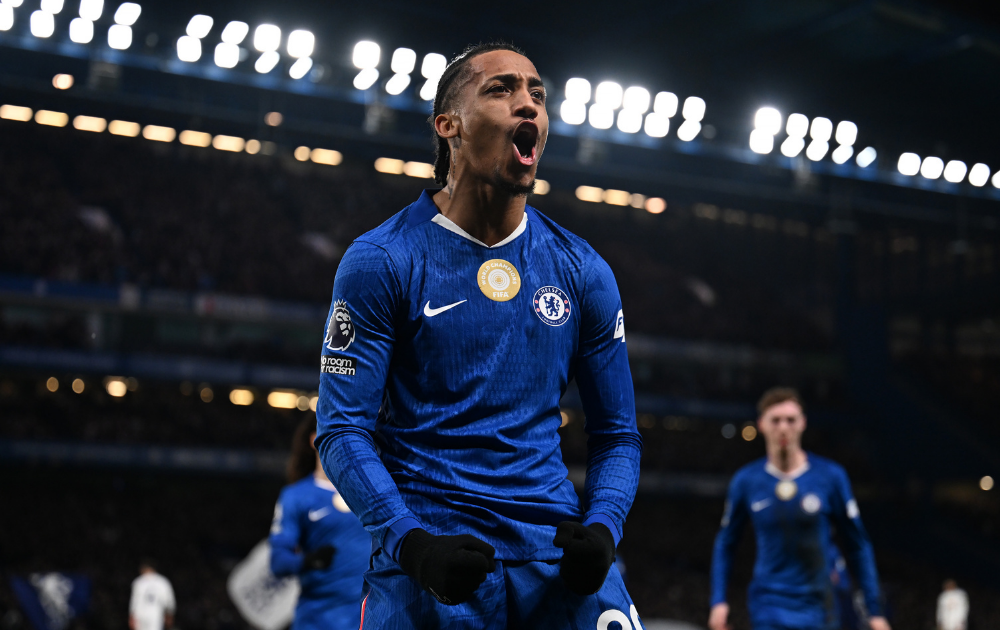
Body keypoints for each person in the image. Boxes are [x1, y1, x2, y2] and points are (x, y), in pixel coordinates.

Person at [315, 41, 643, 628]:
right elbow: (341, 431)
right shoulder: (382, 260)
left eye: (537, 95)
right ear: (449, 126)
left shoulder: (584, 271)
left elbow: (618, 435)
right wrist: (410, 544)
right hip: (434, 564)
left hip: (557, 560)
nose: (529, 105)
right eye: (502, 89)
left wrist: (604, 528)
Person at [709, 387, 890, 630]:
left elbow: (858, 544)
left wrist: (874, 610)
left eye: (790, 420)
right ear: (761, 424)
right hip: (769, 604)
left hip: (821, 604)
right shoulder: (746, 481)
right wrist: (718, 600)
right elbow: (726, 543)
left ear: (803, 423)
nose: (783, 427)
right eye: (776, 420)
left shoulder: (830, 476)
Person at [269, 416, 370, 630]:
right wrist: (306, 561)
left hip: (367, 619)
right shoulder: (296, 497)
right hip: (317, 620)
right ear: (314, 439)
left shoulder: (371, 492)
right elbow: (278, 561)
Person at [128, 560, 175, 630]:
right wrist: (169, 615)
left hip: (140, 614)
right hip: (155, 614)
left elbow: (134, 602)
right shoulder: (162, 581)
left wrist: (131, 616)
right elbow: (169, 601)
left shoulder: (138, 581)